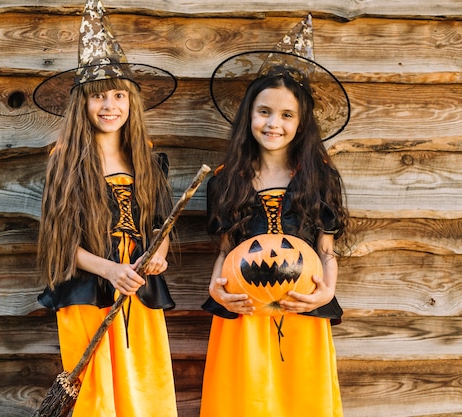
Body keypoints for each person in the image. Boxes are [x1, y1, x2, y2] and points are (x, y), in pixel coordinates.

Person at [200, 15, 351, 417]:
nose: (274, 123)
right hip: (243, 310)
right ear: (249, 115)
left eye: (287, 115)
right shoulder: (225, 181)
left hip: (301, 306)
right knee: (243, 401)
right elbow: (225, 250)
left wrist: (326, 293)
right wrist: (217, 291)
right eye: (265, 112)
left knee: (299, 401)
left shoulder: (319, 177)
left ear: (301, 124)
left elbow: (327, 249)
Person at [33, 1, 178, 416]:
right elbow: (62, 244)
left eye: (118, 95)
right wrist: (110, 269)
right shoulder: (65, 162)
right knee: (97, 389)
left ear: (131, 102)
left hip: (139, 289)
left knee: (143, 381)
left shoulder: (149, 163)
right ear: (83, 103)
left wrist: (158, 257)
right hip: (87, 288)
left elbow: (159, 225)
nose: (109, 105)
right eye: (99, 97)